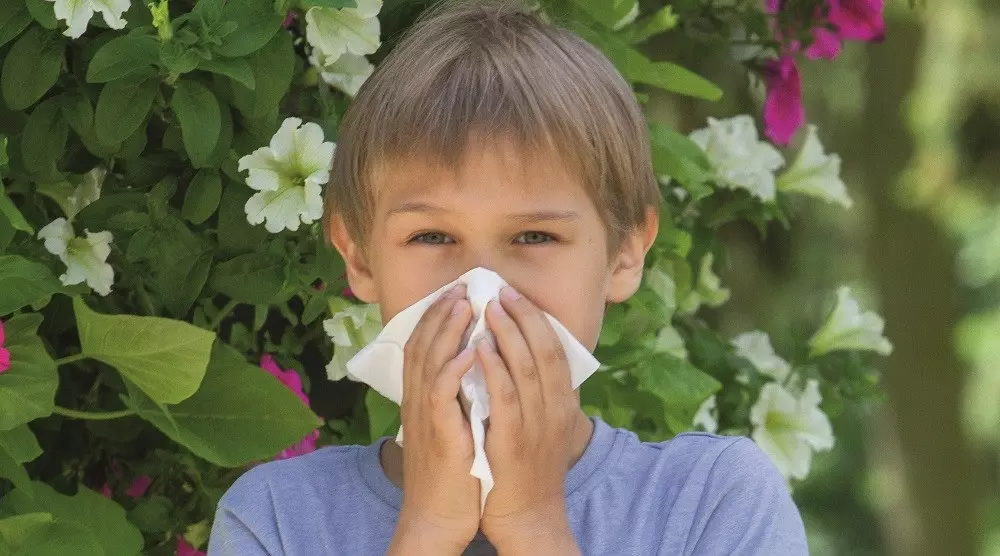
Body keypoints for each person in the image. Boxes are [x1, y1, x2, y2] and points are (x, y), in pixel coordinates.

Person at [207, 0, 809, 553]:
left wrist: (532, 524)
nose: (482, 286)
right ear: (360, 257)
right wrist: (429, 528)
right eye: (431, 236)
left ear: (625, 253)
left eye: (535, 236)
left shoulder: (713, 502)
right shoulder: (276, 520)